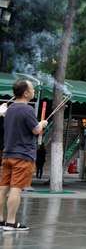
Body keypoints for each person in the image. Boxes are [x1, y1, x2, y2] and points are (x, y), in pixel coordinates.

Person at [0, 80, 48, 231]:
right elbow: (35, 130)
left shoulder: (9, 109)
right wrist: (42, 124)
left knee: (2, 188)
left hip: (7, 154)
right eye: (32, 89)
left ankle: (1, 220)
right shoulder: (27, 110)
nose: (34, 91)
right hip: (23, 155)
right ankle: (11, 222)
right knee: (16, 188)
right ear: (26, 93)